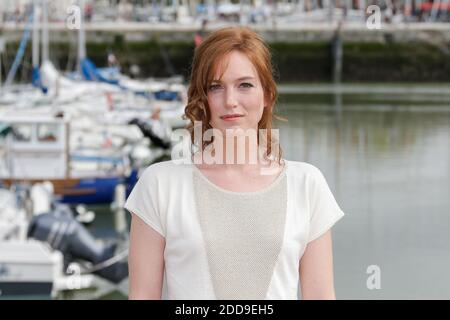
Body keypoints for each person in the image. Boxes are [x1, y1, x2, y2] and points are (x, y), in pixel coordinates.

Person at [125, 27, 345, 300]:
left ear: (267, 95)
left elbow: (321, 296)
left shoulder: (307, 185)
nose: (230, 101)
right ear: (202, 99)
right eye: (216, 87)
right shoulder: (159, 185)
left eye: (245, 85)